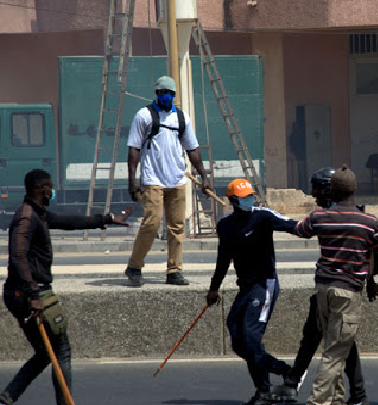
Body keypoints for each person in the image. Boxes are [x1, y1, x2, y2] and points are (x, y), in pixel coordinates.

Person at [0, 169, 131, 405]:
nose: (53, 190)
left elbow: (69, 221)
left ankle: (8, 396)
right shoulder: (26, 218)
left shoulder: (37, 214)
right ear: (43, 190)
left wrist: (107, 219)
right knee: (61, 350)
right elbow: (18, 254)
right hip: (30, 293)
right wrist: (33, 294)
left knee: (45, 353)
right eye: (50, 186)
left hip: (29, 291)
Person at [295, 164, 378, 405]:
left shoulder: (318, 217)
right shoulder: (367, 222)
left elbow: (301, 230)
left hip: (323, 290)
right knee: (335, 352)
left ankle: (336, 400)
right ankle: (317, 401)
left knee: (334, 345)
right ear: (353, 190)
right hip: (347, 292)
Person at [278, 167, 375, 405]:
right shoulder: (350, 217)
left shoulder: (335, 217)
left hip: (337, 287)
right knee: (339, 341)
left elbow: (373, 252)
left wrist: (370, 279)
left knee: (333, 346)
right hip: (338, 288)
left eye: (316, 188)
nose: (312, 194)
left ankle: (314, 395)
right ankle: (345, 396)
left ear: (329, 190)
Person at [206, 178, 299, 405]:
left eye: (250, 196)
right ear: (232, 200)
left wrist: (322, 227)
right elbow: (223, 259)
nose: (249, 200)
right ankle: (267, 386)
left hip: (264, 284)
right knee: (237, 337)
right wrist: (214, 288)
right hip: (246, 286)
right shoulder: (225, 225)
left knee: (250, 338)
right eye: (243, 197)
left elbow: (293, 225)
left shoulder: (263, 216)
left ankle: (284, 376)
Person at [124, 75, 209, 287]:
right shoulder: (144, 116)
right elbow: (134, 149)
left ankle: (174, 270)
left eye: (169, 94)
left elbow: (192, 149)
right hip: (152, 178)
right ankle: (134, 266)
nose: (165, 97)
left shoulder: (181, 118)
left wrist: (204, 176)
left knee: (177, 227)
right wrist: (132, 180)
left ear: (174, 95)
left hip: (177, 179)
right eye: (162, 93)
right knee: (151, 223)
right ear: (156, 94)